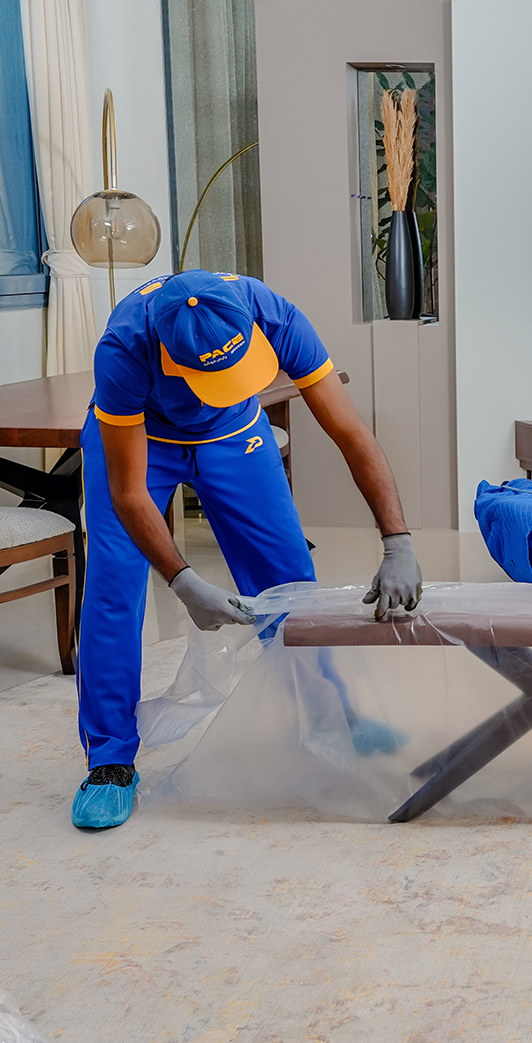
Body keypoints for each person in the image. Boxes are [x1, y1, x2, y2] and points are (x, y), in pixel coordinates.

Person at [73, 270, 423, 829]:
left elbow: (351, 433)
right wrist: (184, 581)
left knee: (290, 580)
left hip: (234, 434)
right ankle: (110, 761)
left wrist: (397, 540)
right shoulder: (125, 349)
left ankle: (330, 715)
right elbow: (129, 494)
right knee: (113, 589)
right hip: (143, 440)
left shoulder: (272, 313)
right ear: (170, 357)